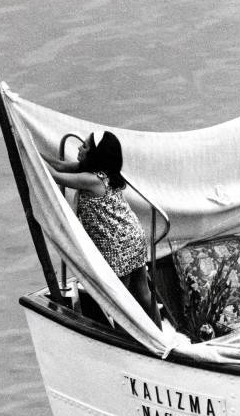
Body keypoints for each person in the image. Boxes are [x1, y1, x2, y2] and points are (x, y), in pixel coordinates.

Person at [42, 131, 162, 329]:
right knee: (143, 291)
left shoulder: (92, 180)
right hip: (133, 235)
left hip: (117, 245)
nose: (79, 148)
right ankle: (158, 333)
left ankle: (130, 341)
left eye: (85, 147)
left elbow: (55, 176)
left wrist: (28, 153)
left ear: (95, 155)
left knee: (119, 301)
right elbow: (60, 166)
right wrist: (31, 148)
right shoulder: (100, 174)